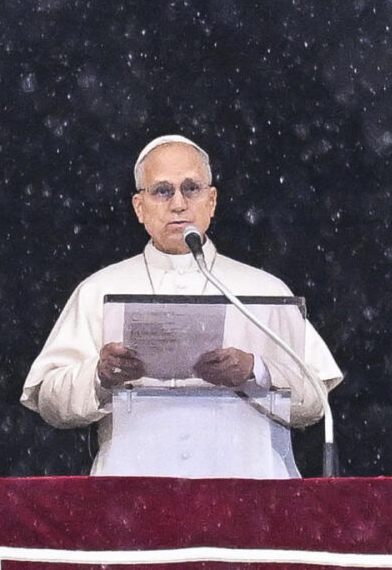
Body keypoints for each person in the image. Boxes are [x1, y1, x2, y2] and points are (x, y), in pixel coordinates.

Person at [21, 135, 343, 478]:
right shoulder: (99, 289)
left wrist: (255, 370)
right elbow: (51, 402)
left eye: (191, 188)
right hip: (132, 495)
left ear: (212, 200)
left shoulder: (265, 290)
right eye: (162, 190)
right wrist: (100, 375)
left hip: (248, 495)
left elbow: (314, 402)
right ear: (139, 207)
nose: (178, 203)